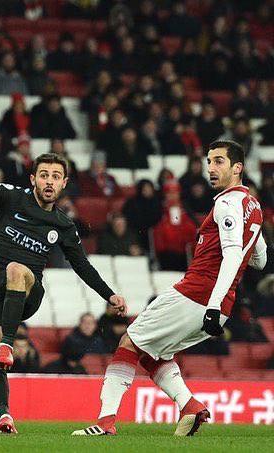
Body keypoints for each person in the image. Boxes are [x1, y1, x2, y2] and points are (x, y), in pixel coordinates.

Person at [73, 140, 266, 437]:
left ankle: (106, 422)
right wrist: (218, 302)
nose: (211, 168)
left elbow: (231, 255)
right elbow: (260, 259)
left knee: (129, 341)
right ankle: (190, 406)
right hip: (222, 303)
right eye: (209, 161)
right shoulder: (253, 207)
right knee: (154, 353)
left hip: (198, 295)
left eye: (219, 161)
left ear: (237, 167)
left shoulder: (226, 203)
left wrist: (212, 304)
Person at [0, 153, 126, 434]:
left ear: (64, 183)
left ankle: (8, 343)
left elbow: (82, 265)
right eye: (44, 175)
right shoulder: (12, 198)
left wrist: (109, 295)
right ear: (33, 179)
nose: (49, 182)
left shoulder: (63, 224)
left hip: (27, 290)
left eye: (56, 177)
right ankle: (4, 416)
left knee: (15, 270)